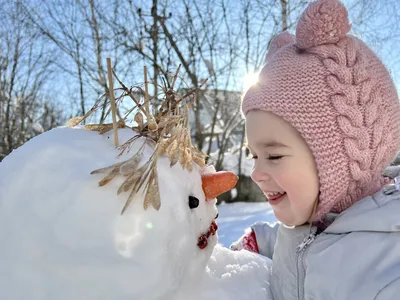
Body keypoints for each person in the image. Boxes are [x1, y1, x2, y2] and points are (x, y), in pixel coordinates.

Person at [230, 0, 400, 299]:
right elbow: (301, 244)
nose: (256, 173)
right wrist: (259, 240)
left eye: (274, 156)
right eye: (254, 155)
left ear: (339, 163)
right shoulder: (314, 216)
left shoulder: (385, 272)